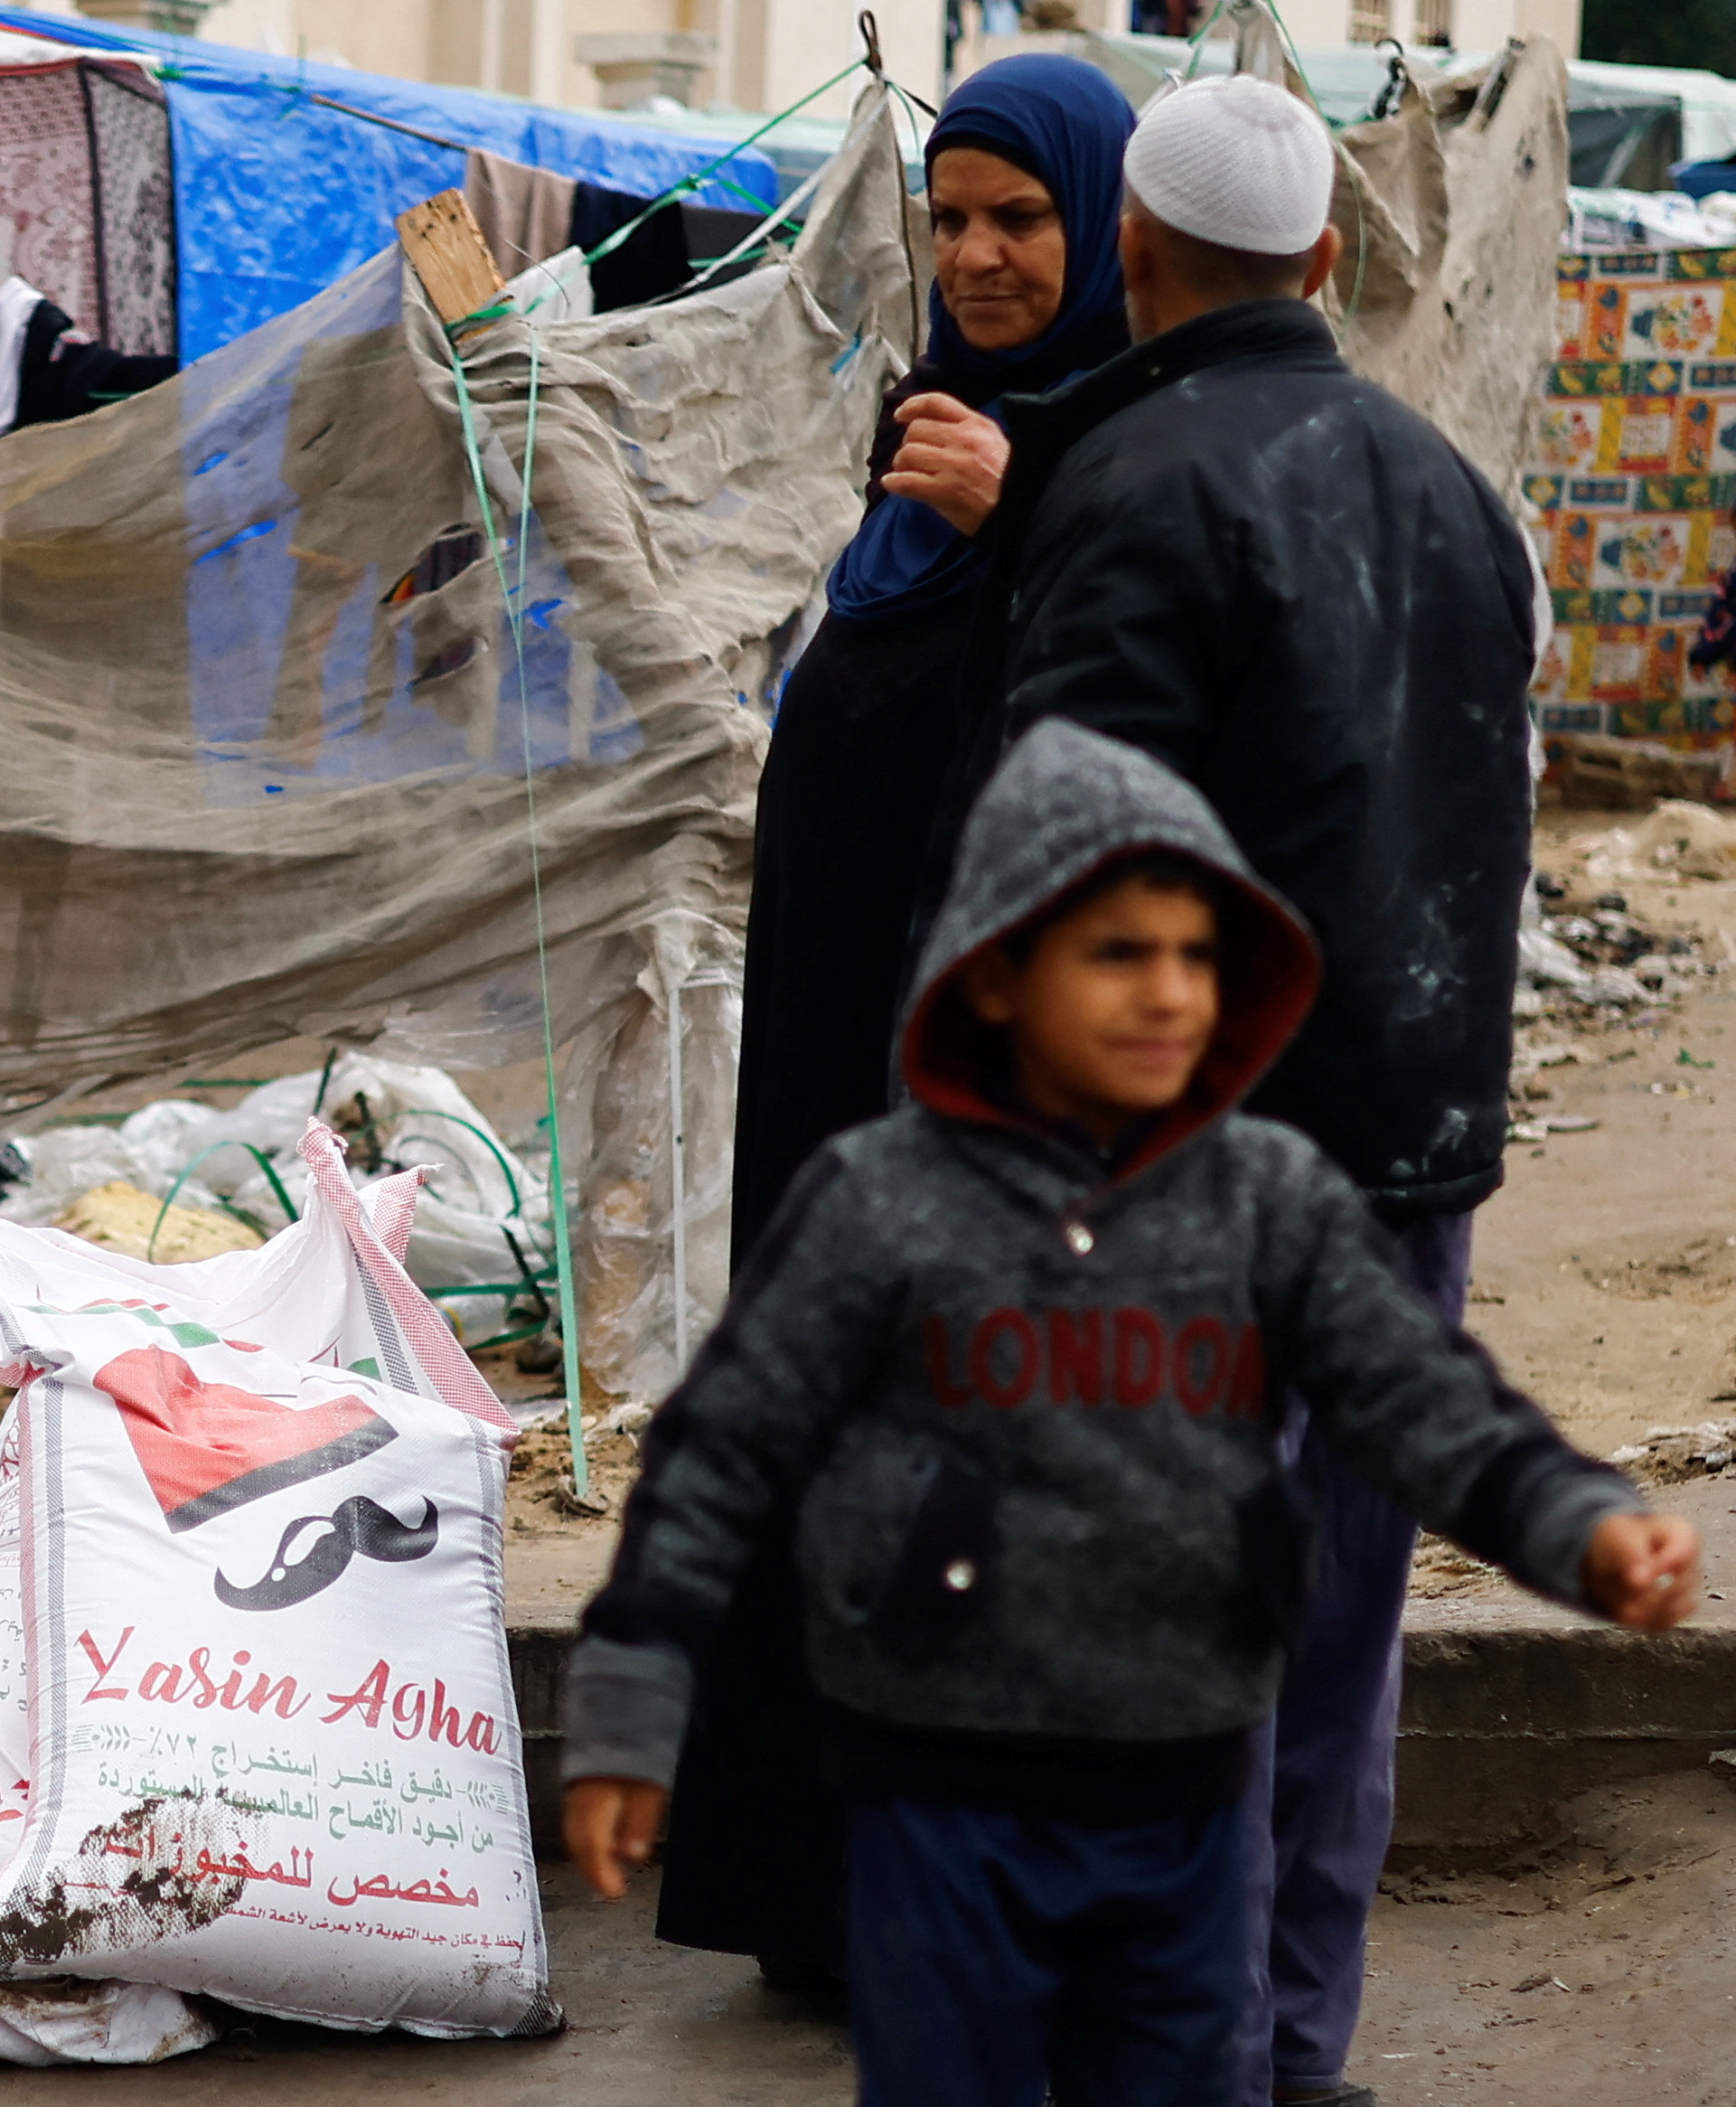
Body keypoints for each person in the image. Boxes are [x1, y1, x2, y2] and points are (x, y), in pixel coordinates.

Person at [563, 720, 1700, 2107]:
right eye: (1117, 953)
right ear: (994, 971)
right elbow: (718, 1456)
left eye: (1197, 955)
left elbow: (1426, 1404)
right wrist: (626, 1712)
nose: (1168, 992)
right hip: (939, 1811)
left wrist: (1579, 1525)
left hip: (1188, 1807)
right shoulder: (878, 1203)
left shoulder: (1267, 1201)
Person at [923, 76, 1544, 2107]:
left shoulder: (1119, 483)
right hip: (1407, 1161)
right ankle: (1290, 2044)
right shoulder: (1452, 494)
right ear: (1328, 261)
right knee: (1337, 1629)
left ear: (1127, 251)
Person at [700, 51, 1135, 1993]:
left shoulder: (1115, 451)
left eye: (1017, 219)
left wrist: (1023, 510)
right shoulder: (921, 441)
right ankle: (813, 1897)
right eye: (949, 218)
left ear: (1107, 225)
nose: (973, 253)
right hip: (827, 1086)